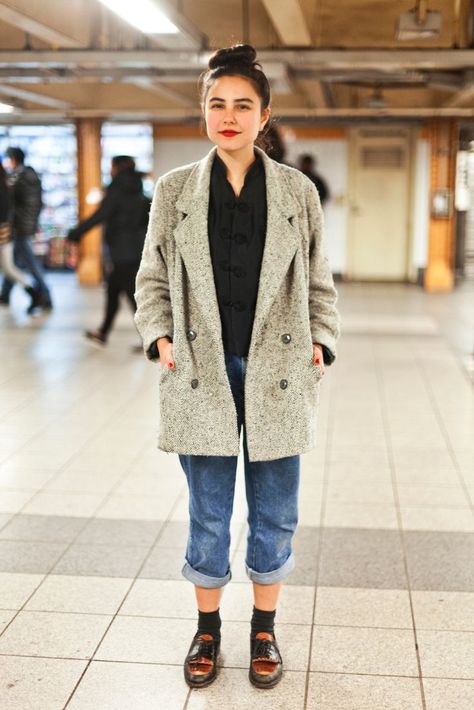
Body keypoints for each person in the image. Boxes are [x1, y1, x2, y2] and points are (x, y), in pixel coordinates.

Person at [134, 44, 340, 691]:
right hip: (201, 366)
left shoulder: (296, 191)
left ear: (264, 115)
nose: (229, 116)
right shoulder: (173, 192)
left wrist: (323, 342)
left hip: (278, 364)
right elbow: (152, 278)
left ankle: (263, 630)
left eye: (242, 105)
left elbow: (318, 281)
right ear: (203, 111)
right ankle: (207, 631)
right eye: (217, 104)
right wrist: (159, 336)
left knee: (277, 508)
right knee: (209, 510)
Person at [67, 155, 150, 346]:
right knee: (113, 291)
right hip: (136, 249)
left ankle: (151, 338)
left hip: (122, 252)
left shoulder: (116, 191)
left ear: (117, 168)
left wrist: (76, 233)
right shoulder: (139, 191)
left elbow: (100, 215)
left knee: (132, 296)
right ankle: (103, 332)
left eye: (112, 167)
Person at [0, 147, 52, 311]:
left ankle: (44, 295)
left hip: (20, 227)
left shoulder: (22, 177)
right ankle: (5, 295)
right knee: (11, 263)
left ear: (14, 159)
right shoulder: (21, 176)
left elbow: (21, 205)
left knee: (29, 263)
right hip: (20, 226)